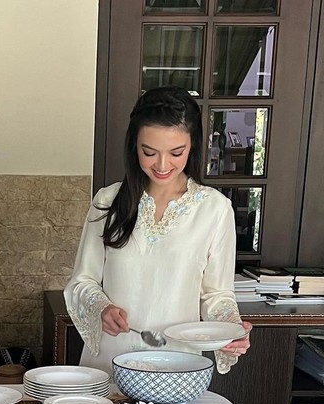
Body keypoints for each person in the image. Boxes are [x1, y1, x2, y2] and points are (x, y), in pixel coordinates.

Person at [64, 86, 251, 375]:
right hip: (107, 366)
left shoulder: (214, 209)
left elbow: (216, 294)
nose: (162, 165)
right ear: (134, 146)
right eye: (149, 152)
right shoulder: (109, 202)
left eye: (177, 153)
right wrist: (101, 308)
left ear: (193, 146)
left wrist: (230, 329)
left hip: (177, 369)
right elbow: (82, 282)